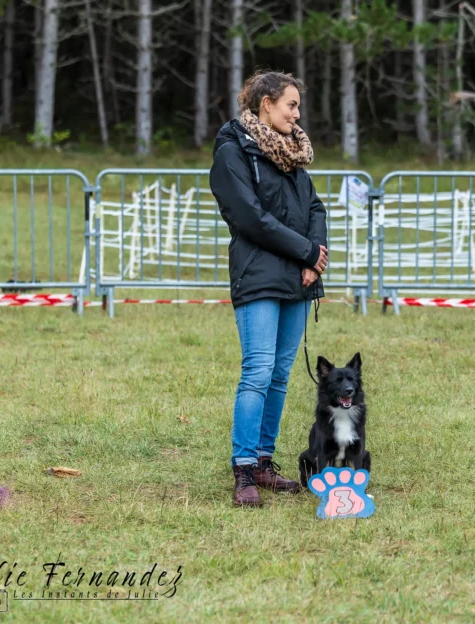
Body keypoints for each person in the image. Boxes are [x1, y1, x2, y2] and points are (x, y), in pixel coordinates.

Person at [209, 70, 328, 508]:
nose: (297, 114)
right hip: (258, 275)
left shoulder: (291, 151)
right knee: (257, 373)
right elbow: (250, 218)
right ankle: (243, 469)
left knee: (279, 376)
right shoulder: (233, 151)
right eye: (290, 105)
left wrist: (314, 257)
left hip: (296, 277)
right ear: (266, 104)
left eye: (298, 106)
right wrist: (306, 251)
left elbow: (315, 207)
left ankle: (263, 461)